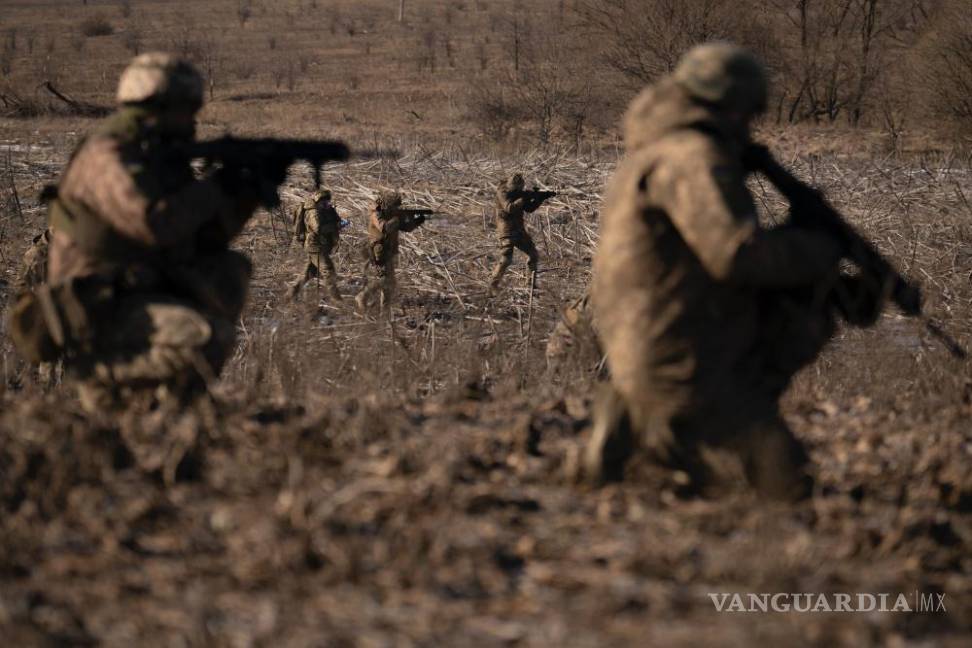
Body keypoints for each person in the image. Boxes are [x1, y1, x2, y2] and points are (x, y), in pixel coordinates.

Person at [586, 43, 879, 500]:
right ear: (730, 105)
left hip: (645, 337)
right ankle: (654, 419)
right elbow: (735, 256)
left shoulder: (658, 150)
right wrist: (820, 249)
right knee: (785, 483)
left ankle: (638, 415)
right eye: (747, 114)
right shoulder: (691, 158)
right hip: (678, 355)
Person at [8, 52, 280, 410]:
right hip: (97, 302)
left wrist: (245, 192)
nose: (192, 122)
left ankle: (166, 409)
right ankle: (96, 376)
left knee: (228, 271)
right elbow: (154, 224)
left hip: (141, 287)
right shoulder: (109, 155)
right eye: (186, 110)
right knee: (202, 338)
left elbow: (203, 239)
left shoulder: (156, 158)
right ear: (159, 107)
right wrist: (218, 184)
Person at [355, 191, 431, 312]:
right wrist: (397, 218)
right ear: (389, 205)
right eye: (395, 206)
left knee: (390, 283)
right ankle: (362, 296)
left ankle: (385, 311)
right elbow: (384, 227)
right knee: (384, 280)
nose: (397, 208)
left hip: (388, 251)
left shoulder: (392, 214)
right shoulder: (377, 213)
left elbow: (406, 228)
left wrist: (418, 220)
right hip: (379, 251)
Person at [488, 174, 556, 294]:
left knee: (533, 255)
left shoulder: (519, 193)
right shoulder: (502, 192)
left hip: (519, 230)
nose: (519, 191)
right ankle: (493, 286)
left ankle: (530, 286)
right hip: (507, 230)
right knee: (506, 259)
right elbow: (509, 208)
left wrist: (540, 198)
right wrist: (523, 198)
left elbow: (529, 209)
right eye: (517, 189)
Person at [289, 188, 345, 301]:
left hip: (322, 245)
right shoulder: (313, 212)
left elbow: (333, 221)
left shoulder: (326, 210)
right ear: (318, 201)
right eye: (324, 202)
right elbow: (318, 228)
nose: (326, 203)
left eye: (327, 201)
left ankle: (290, 295)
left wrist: (340, 222)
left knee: (309, 273)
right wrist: (336, 226)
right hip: (315, 246)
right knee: (328, 271)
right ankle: (337, 300)